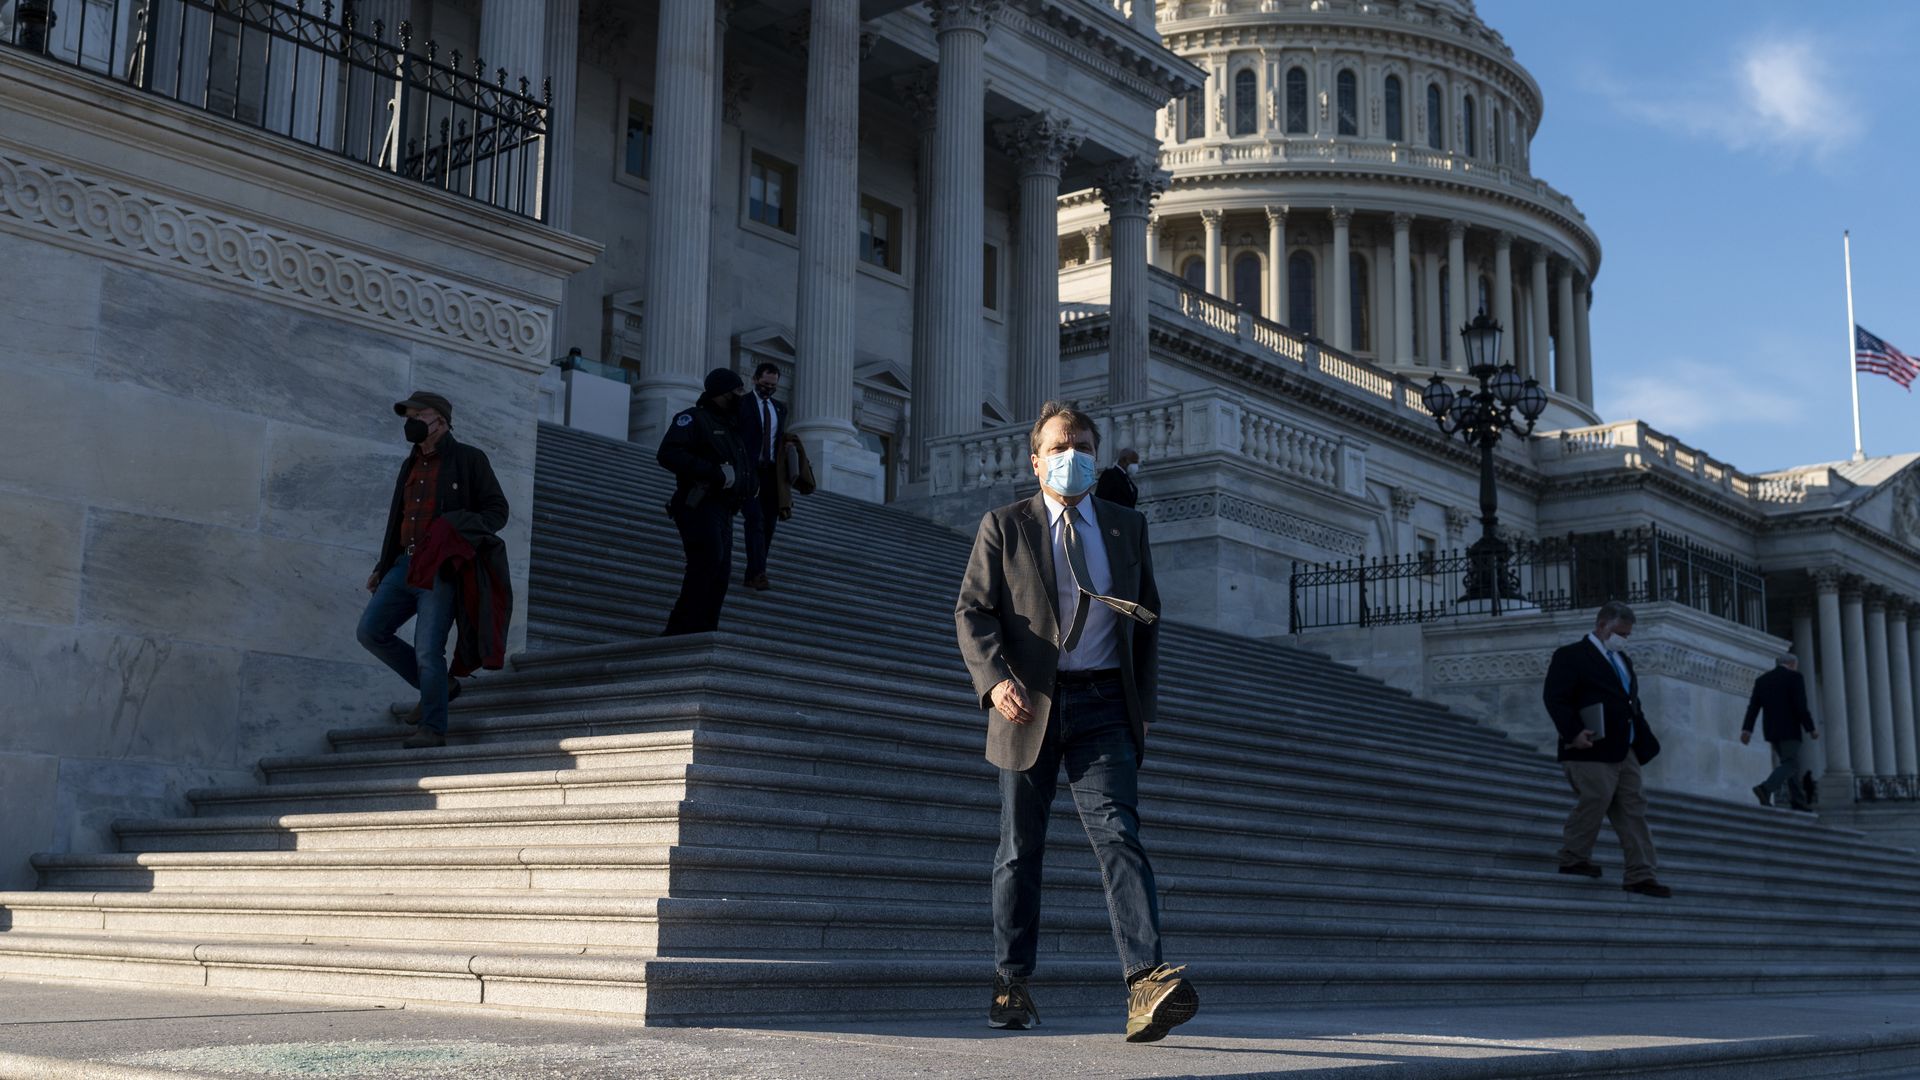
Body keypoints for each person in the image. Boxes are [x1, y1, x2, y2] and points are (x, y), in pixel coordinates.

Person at [954, 401, 1197, 1043]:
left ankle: (1146, 983)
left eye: (1083, 444)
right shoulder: (1004, 526)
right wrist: (994, 679)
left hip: (1103, 707)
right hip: (1028, 702)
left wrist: (1140, 706)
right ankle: (1011, 983)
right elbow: (972, 612)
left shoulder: (1124, 525)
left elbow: (1147, 618)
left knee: (1119, 835)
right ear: (1035, 460)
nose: (1073, 455)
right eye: (1060, 445)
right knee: (1018, 851)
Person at [357, 392, 509, 750]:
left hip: (440, 568)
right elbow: (399, 519)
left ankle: (432, 728)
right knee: (370, 631)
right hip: (402, 564)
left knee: (428, 649)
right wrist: (384, 564)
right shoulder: (410, 464)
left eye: (418, 415)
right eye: (408, 416)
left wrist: (458, 534)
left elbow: (497, 511)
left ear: (440, 420)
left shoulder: (469, 459)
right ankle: (442, 687)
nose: (410, 422)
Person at [1542, 601, 1671, 898]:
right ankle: (1574, 858)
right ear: (1601, 625)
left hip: (1625, 747)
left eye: (1627, 633)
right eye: (1619, 632)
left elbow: (1631, 704)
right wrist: (1573, 732)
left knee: (1633, 808)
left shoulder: (1622, 660)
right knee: (1596, 799)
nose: (1623, 638)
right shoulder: (1570, 656)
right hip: (1588, 745)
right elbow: (1555, 697)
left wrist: (1644, 741)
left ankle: (1641, 874)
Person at [658, 368, 755, 635]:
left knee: (721, 573)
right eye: (737, 391)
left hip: (725, 508)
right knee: (707, 561)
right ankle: (678, 631)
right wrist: (713, 472)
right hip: (699, 503)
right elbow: (668, 454)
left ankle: (705, 632)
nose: (742, 396)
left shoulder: (731, 428)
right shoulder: (694, 419)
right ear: (722, 392)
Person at [1742, 654, 1819, 810]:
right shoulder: (1795, 677)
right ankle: (1765, 788)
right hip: (1790, 729)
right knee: (1790, 764)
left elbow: (1753, 708)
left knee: (1789, 764)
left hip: (1772, 730)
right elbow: (1800, 705)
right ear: (1792, 664)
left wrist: (1747, 729)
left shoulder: (1762, 680)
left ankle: (1798, 801)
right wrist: (1810, 728)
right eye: (1796, 664)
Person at [738, 362, 789, 591]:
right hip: (750, 471)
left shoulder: (780, 408)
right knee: (754, 520)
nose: (769, 388)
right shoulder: (742, 405)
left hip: (771, 474)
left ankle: (756, 571)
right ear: (755, 379)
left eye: (773, 385)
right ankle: (758, 572)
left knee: (769, 523)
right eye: (765, 383)